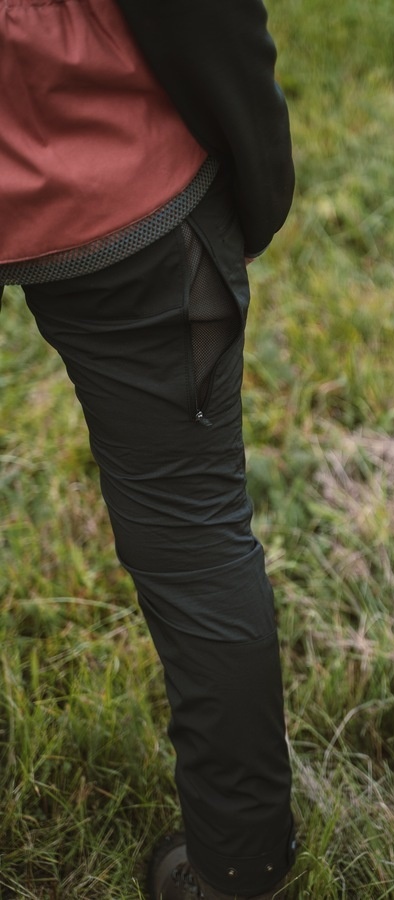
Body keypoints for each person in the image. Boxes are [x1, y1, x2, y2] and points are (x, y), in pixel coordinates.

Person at [0, 1, 296, 898]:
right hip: (112, 167)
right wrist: (259, 169)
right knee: (193, 541)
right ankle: (238, 868)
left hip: (99, 171)